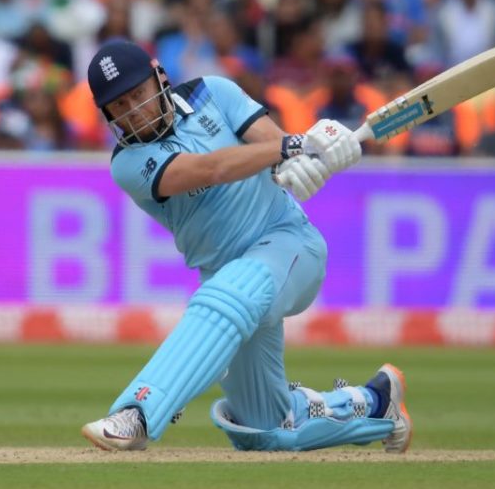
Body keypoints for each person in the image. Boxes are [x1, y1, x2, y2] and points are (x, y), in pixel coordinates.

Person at [79, 39, 411, 453]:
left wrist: (312, 154)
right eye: (120, 105)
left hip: (290, 247)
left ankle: (137, 412)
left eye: (138, 93)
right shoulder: (127, 164)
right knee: (266, 429)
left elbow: (275, 146)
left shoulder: (212, 92)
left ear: (159, 77)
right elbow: (210, 168)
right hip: (226, 286)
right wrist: (294, 145)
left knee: (232, 287)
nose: (134, 110)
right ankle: (375, 404)